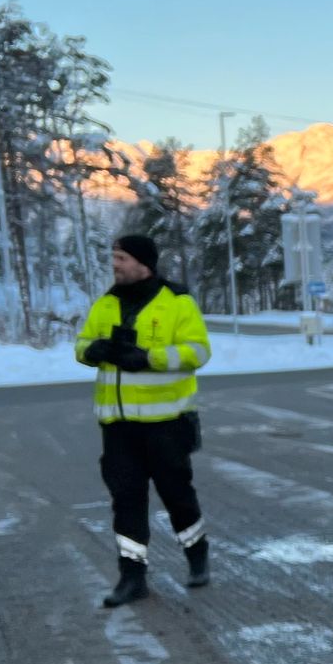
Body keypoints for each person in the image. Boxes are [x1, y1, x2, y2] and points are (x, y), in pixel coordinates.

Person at [75, 234, 212, 608]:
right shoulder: (106, 303)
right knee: (126, 500)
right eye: (114, 257)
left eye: (122, 258)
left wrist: (148, 358)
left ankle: (197, 556)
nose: (115, 264)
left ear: (143, 263)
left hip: (166, 424)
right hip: (118, 426)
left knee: (177, 496)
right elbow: (81, 344)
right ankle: (131, 577)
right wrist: (92, 351)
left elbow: (199, 351)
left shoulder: (176, 302)